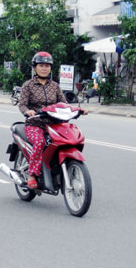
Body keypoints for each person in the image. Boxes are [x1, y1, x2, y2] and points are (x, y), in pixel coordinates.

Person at [18, 52, 87, 189]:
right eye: (41, 65)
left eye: (47, 66)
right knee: (39, 142)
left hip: (54, 123)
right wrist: (28, 111)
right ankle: (32, 174)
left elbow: (63, 103)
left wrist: (77, 110)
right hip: (35, 123)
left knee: (68, 138)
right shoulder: (28, 85)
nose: (44, 68)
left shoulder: (55, 86)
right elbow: (22, 104)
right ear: (35, 67)